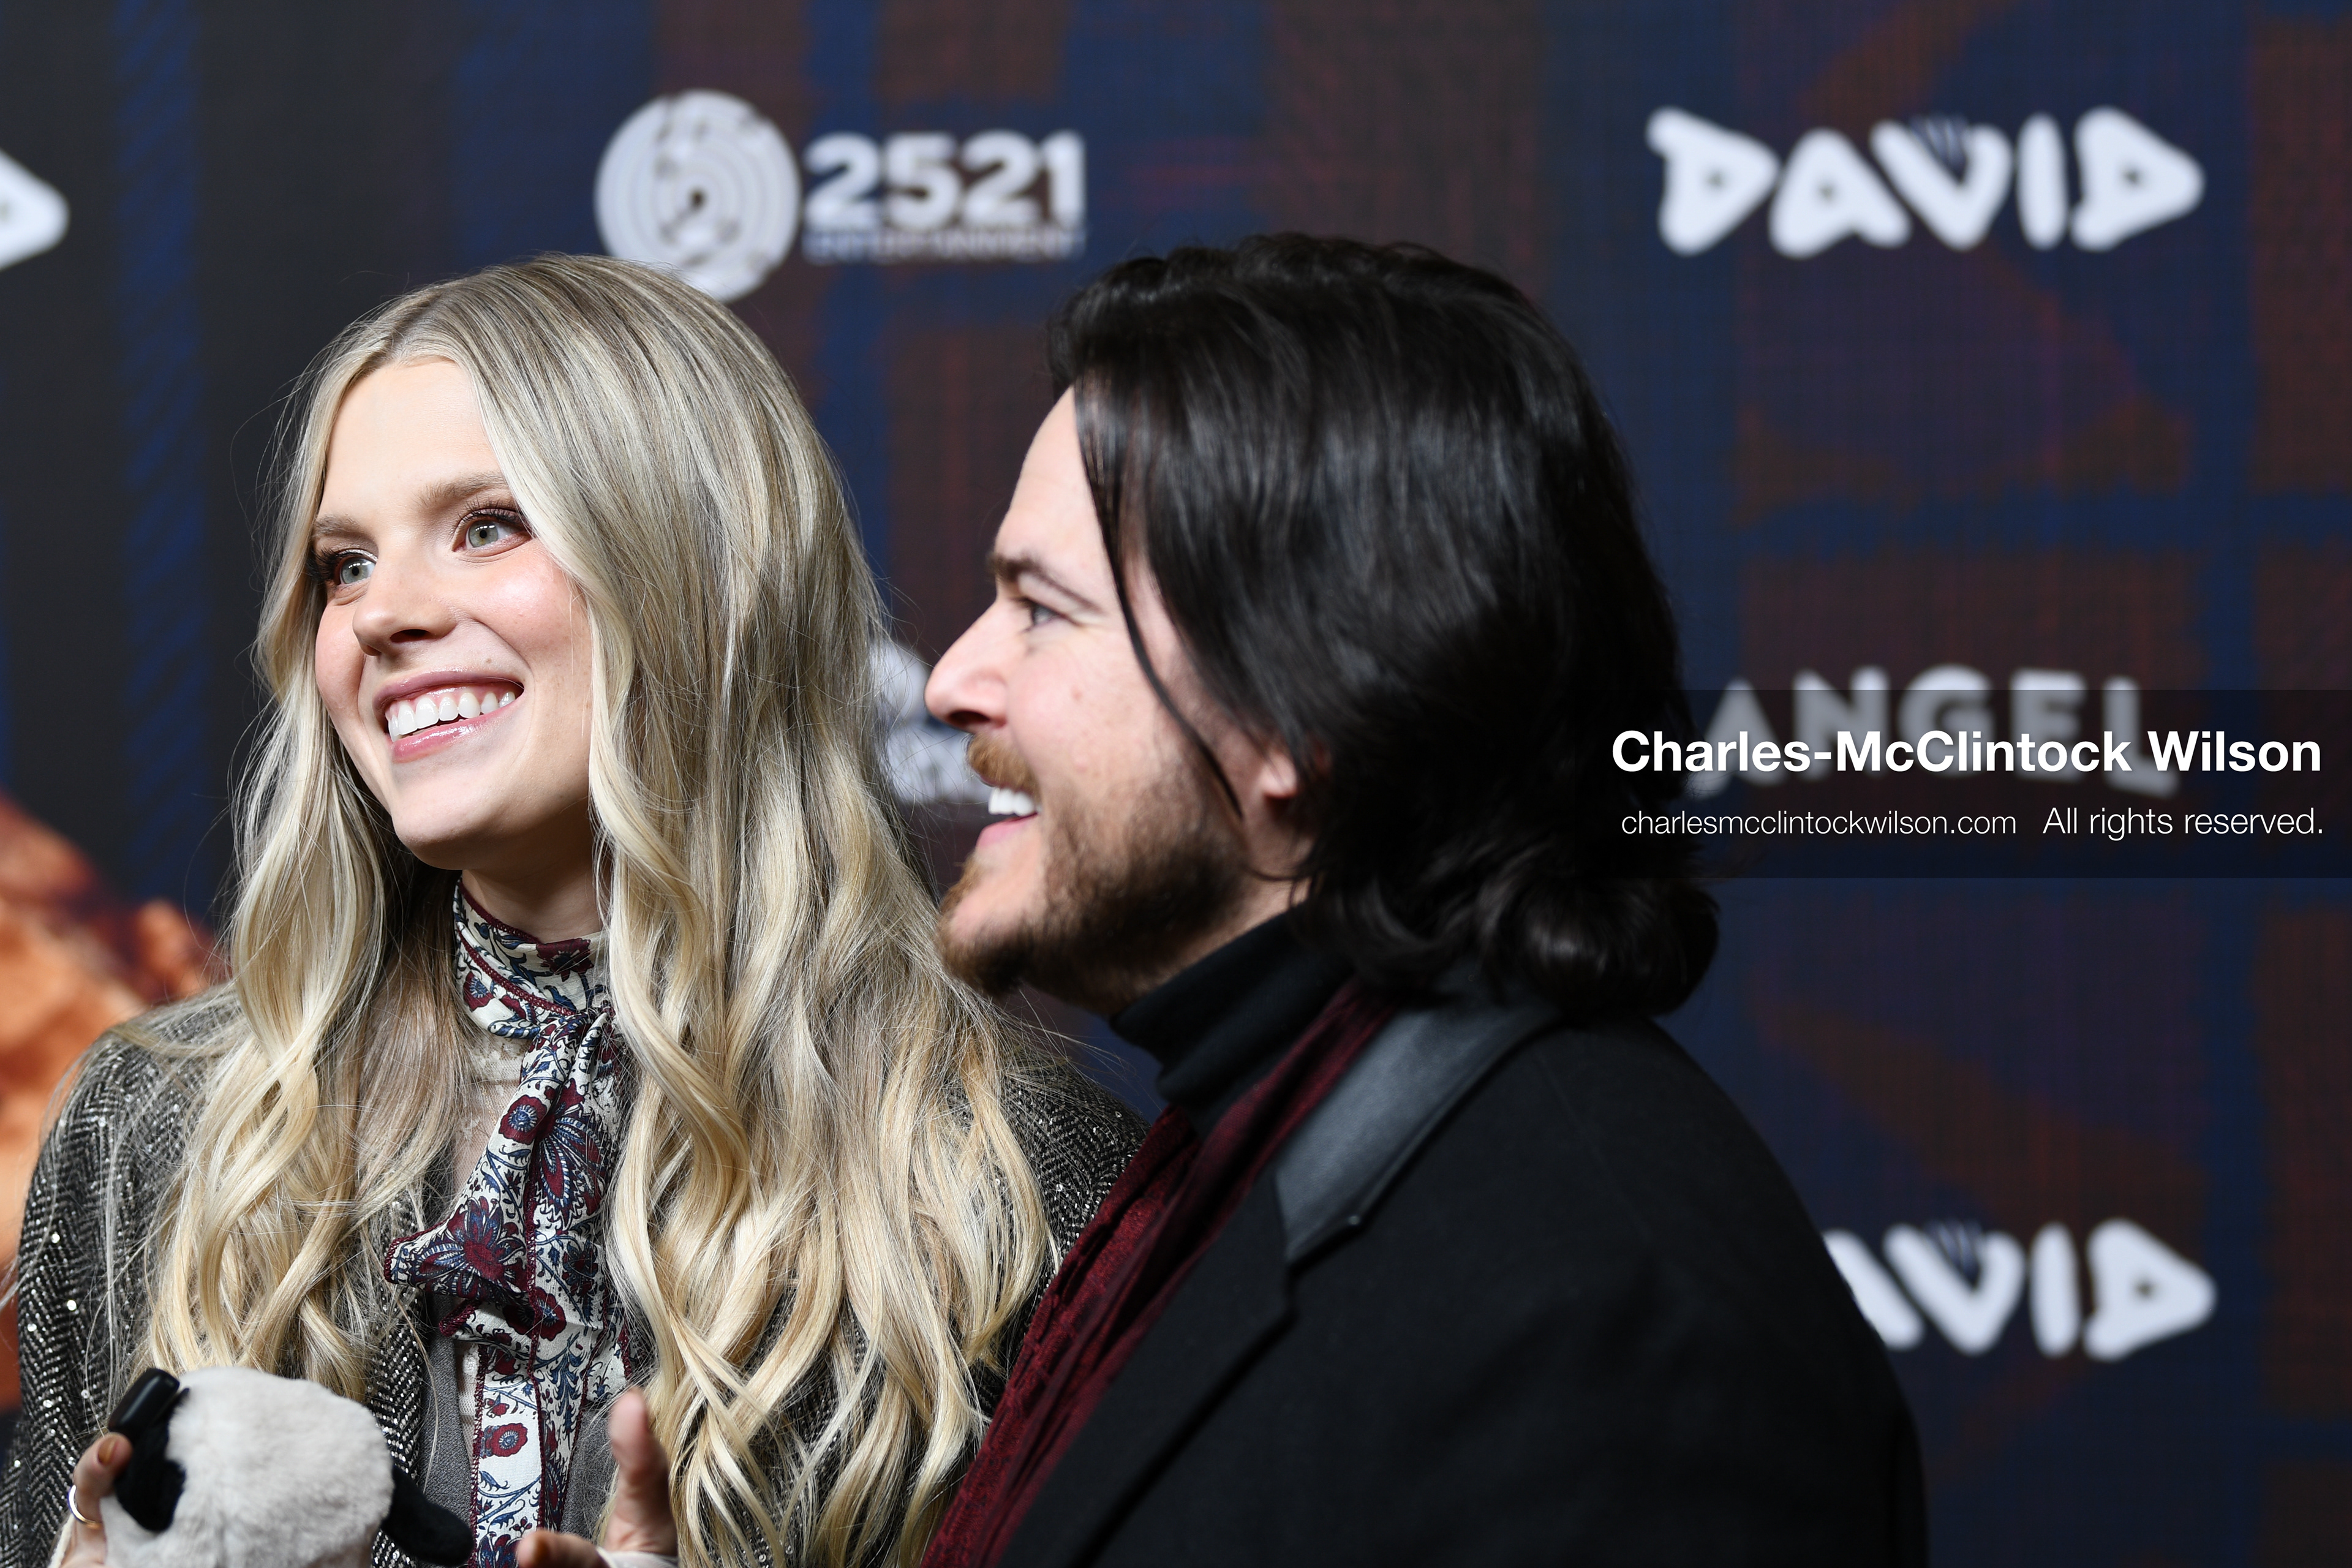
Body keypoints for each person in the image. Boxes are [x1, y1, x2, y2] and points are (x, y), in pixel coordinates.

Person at [0, 257, 1142, 1568]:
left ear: (697, 570)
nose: (386, 614)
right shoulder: (160, 1127)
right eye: (344, 563)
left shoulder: (1011, 1176)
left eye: (488, 524)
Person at [914, 235, 1928, 1567]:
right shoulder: (1249, 1158)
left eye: (1040, 610)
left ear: (1295, 703)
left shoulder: (1603, 1319)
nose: (947, 680)